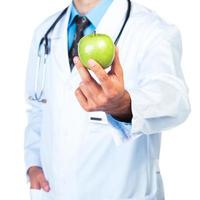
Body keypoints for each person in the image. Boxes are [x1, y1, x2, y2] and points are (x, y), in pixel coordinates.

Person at [24, 0, 191, 199]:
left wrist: (123, 106)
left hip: (122, 190)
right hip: (53, 189)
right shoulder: (46, 31)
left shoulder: (152, 29)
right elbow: (38, 105)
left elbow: (175, 99)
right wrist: (33, 163)